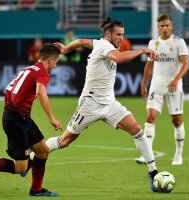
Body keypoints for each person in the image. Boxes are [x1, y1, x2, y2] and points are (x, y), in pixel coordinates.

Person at [37, 16, 161, 192]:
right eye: (118, 35)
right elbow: (118, 59)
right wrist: (143, 51)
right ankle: (34, 154)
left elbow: (81, 41)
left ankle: (153, 172)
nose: (121, 38)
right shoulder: (105, 46)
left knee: (136, 130)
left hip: (109, 103)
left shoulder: (98, 43)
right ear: (109, 34)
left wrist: (66, 48)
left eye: (123, 35)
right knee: (64, 141)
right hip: (90, 104)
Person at [0, 43, 63, 197]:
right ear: (50, 60)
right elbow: (41, 93)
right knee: (21, 168)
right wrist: (52, 118)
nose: (55, 66)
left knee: (43, 152)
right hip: (16, 121)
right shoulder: (42, 73)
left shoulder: (30, 69)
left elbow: (11, 90)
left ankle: (36, 189)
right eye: (56, 62)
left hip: (21, 117)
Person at [135, 14, 189, 165]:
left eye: (167, 25)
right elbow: (149, 66)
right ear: (158, 27)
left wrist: (176, 79)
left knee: (177, 120)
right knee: (150, 117)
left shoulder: (179, 42)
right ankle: (147, 155)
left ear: (171, 26)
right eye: (161, 26)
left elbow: (186, 64)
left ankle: (178, 155)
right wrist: (143, 84)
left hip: (174, 87)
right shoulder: (153, 43)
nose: (164, 28)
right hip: (156, 86)